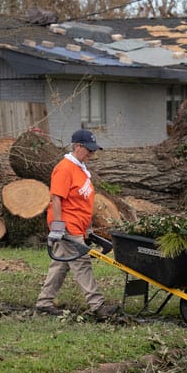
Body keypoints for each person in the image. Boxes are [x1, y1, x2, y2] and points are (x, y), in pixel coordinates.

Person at [35, 129, 117, 318]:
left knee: (61, 264)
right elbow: (56, 198)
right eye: (88, 149)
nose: (91, 153)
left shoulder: (81, 169)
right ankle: (97, 305)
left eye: (93, 150)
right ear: (77, 146)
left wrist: (87, 227)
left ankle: (43, 304)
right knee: (82, 263)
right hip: (67, 224)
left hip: (78, 224)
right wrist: (57, 227)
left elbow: (83, 200)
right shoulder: (65, 168)